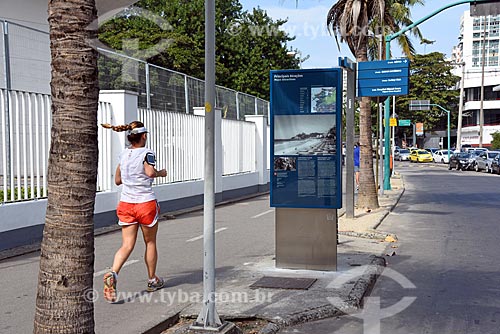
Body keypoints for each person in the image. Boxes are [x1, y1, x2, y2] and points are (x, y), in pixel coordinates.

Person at [101, 121, 167, 303]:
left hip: (126, 204)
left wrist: (130, 179)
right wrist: (161, 173)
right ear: (144, 136)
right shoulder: (147, 153)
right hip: (145, 203)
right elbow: (150, 173)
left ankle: (113, 272)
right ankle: (153, 280)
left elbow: (117, 180)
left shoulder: (123, 154)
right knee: (150, 242)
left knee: (127, 245)